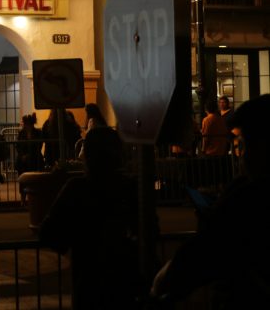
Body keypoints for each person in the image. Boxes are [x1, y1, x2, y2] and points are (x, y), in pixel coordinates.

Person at [152, 95, 270, 307]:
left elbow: (205, 251)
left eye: (247, 144)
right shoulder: (243, 188)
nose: (243, 155)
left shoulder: (246, 195)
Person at [39, 127, 152, 309]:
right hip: (127, 281)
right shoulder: (131, 188)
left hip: (89, 280)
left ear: (88, 156)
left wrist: (71, 241)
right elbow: (150, 230)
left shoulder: (76, 189)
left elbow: (48, 233)